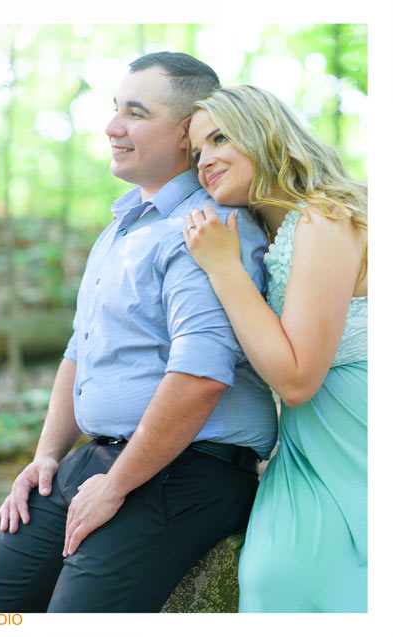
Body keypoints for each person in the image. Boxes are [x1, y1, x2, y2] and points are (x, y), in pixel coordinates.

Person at [0, 53, 278, 613]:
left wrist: (119, 484)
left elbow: (200, 377)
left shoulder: (208, 229)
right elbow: (80, 349)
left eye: (135, 112)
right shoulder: (121, 226)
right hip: (97, 459)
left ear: (186, 134)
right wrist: (47, 455)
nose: (112, 127)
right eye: (114, 109)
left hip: (189, 470)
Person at [183, 84, 367, 612]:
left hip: (361, 446)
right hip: (306, 452)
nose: (205, 161)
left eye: (219, 138)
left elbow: (296, 380)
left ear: (264, 131)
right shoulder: (270, 232)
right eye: (197, 153)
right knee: (270, 576)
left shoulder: (325, 216)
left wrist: (222, 269)